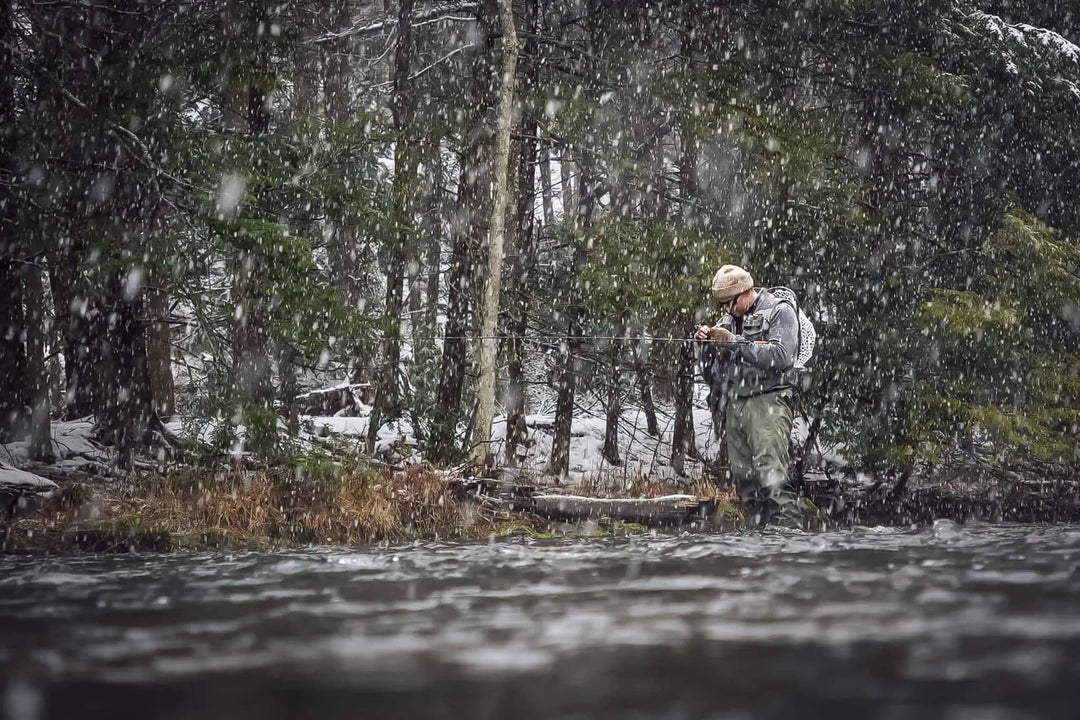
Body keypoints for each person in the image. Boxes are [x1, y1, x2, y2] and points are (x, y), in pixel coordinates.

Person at [696, 264, 801, 528]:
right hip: (736, 403)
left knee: (771, 475)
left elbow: (780, 356)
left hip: (769, 401)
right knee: (745, 481)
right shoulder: (726, 322)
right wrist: (707, 349)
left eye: (729, 303)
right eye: (721, 305)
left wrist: (735, 343)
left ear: (745, 293)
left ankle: (789, 541)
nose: (725, 311)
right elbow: (713, 375)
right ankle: (756, 544)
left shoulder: (780, 311)